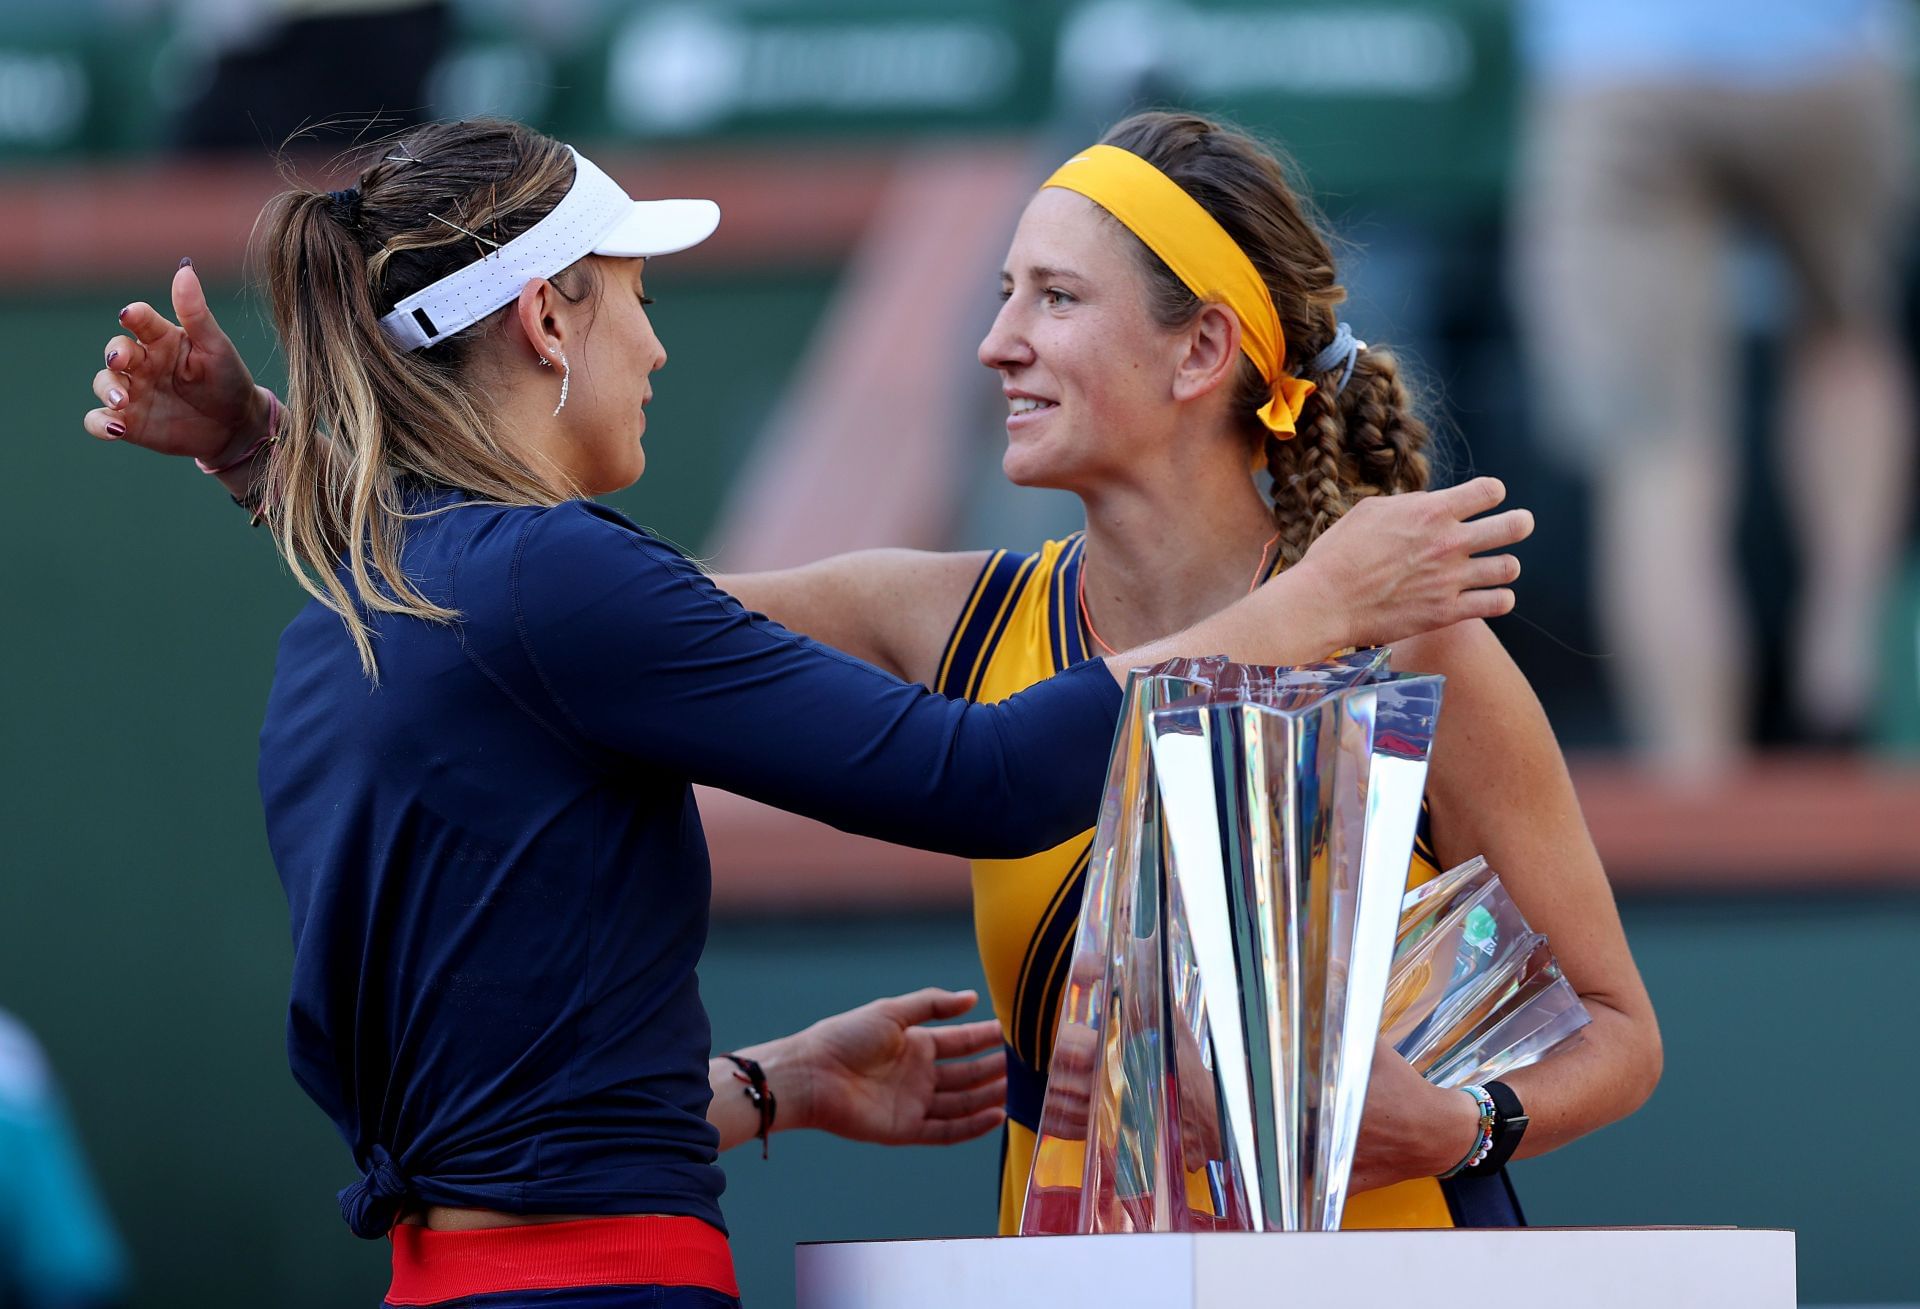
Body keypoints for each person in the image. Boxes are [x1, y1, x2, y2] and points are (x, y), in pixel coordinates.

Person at [80, 117, 1528, 1305]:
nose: (654, 347)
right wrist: (1315, 610)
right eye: (638, 298)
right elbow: (981, 778)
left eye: (1055, 296)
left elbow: (511, 1083)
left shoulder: (381, 613)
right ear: (544, 318)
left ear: (1207, 352)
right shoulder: (546, 585)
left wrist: (779, 1082)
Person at [1513, 0, 1916, 774]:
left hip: (1620, 61)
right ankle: (1846, 648)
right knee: (1845, 336)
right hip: (1823, 56)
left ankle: (1698, 785)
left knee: (1657, 448)